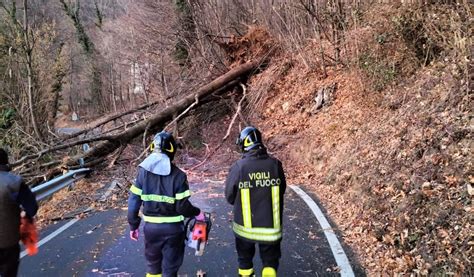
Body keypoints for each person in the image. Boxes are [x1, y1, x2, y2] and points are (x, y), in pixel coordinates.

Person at [128, 131, 204, 277]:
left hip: (151, 230)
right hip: (174, 231)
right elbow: (182, 207)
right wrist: (197, 213)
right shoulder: (179, 176)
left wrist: (133, 225)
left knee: (153, 267)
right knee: (170, 269)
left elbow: (133, 201)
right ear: (172, 150)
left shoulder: (143, 173)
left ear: (152, 148)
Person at [225, 126, 287, 277]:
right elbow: (281, 189)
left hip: (245, 229)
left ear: (244, 144)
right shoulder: (275, 165)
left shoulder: (239, 167)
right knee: (270, 263)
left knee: (245, 263)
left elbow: (229, 196)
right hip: (271, 229)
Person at [0, 148, 38, 277]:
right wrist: (24, 216)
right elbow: (32, 208)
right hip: (8, 241)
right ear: (6, 162)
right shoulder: (14, 182)